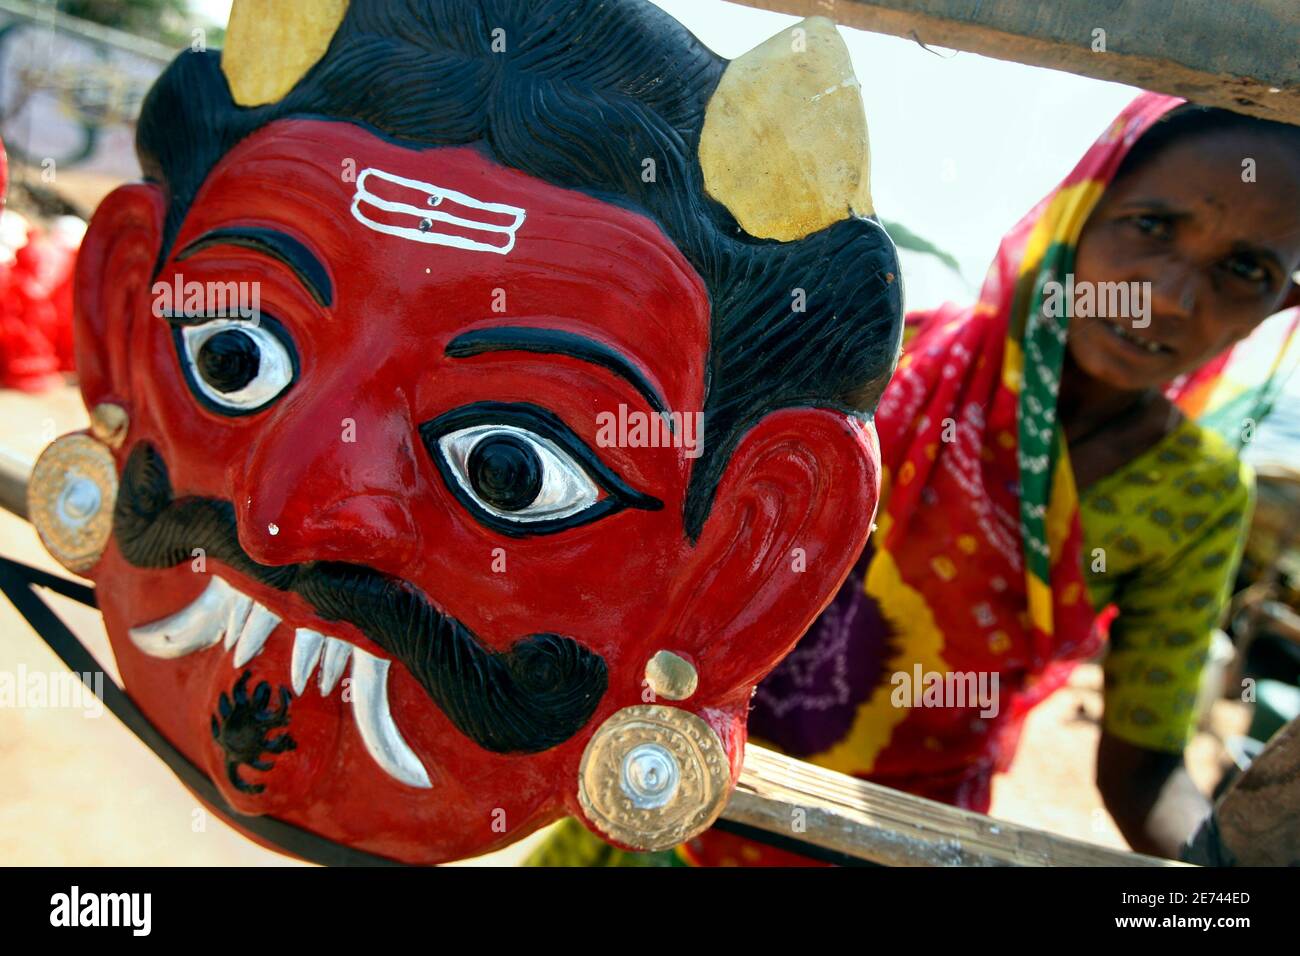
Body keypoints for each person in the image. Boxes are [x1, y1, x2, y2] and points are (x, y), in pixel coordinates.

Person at [529, 91, 1300, 865]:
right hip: (678, 786)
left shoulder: (1195, 493)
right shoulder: (887, 359)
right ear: (1080, 209)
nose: (1169, 295)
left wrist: (1230, 870)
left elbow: (1143, 770)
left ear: (1282, 303)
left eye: (1246, 268)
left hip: (901, 841)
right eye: (1153, 226)